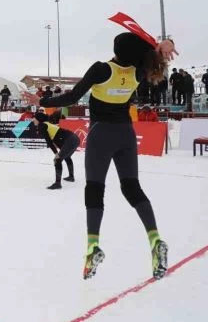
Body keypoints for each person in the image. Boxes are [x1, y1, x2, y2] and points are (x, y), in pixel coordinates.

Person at [40, 21, 176, 280]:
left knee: (94, 188)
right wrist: (164, 44)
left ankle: (93, 246)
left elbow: (70, 98)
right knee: (132, 187)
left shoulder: (102, 69)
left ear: (116, 49)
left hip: (101, 134)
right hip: (126, 134)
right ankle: (155, 238)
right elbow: (154, 52)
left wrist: (44, 101)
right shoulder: (138, 71)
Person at [32, 111, 77, 190]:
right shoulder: (46, 124)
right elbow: (57, 140)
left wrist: (56, 154)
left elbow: (49, 141)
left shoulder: (42, 125)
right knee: (66, 156)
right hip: (74, 138)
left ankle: (57, 184)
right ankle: (71, 177)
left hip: (70, 139)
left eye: (34, 118)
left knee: (57, 160)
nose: (33, 120)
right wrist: (58, 153)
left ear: (38, 119)